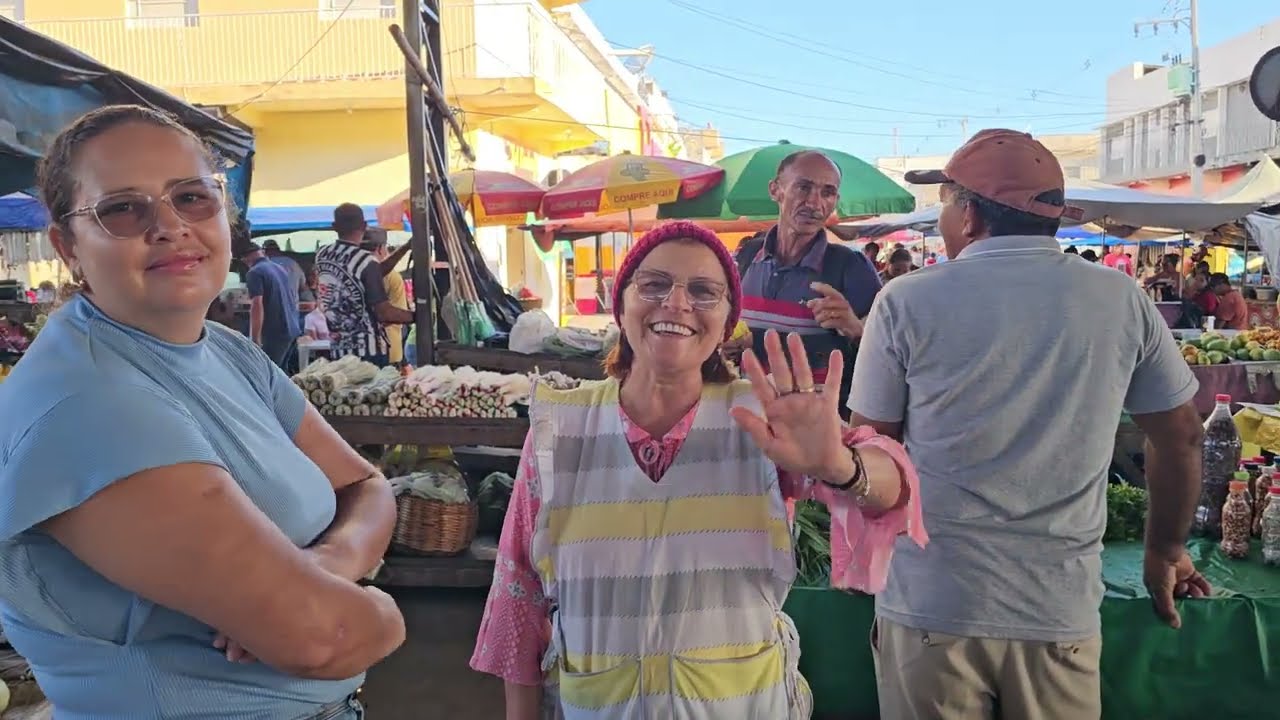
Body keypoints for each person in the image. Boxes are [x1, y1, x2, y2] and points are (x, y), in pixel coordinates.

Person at [0, 105, 405, 719]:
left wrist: (324, 566)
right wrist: (382, 612)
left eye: (191, 197)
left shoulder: (227, 351)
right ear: (68, 246)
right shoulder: (87, 403)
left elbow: (365, 483)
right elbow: (323, 638)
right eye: (123, 209)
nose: (169, 226)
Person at [470, 221, 925, 719]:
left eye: (705, 292)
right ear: (619, 304)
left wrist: (840, 465)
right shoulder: (561, 428)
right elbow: (519, 593)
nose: (677, 303)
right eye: (654, 284)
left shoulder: (765, 419)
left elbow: (893, 488)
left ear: (730, 320)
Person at [849, 129, 1209, 720]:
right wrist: (1165, 548)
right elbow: (1182, 436)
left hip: (934, 606)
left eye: (945, 203)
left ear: (968, 215)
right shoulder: (1120, 298)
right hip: (1057, 611)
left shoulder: (905, 301)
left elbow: (873, 454)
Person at [730, 150, 882, 418]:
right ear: (775, 190)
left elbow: (887, 357)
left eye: (827, 192)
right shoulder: (745, 257)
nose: (814, 203)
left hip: (816, 430)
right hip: (745, 419)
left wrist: (855, 329)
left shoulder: (852, 267)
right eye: (803, 187)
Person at [313, 203, 414, 365]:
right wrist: (417, 317)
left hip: (338, 349)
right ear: (365, 226)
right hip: (368, 353)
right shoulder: (366, 262)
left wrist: (404, 249)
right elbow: (383, 313)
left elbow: (361, 275)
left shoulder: (323, 255)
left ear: (334, 227)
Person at [239, 237, 302, 373]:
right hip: (292, 328)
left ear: (245, 259)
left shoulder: (254, 272)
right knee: (282, 374)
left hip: (275, 332)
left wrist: (255, 338)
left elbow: (257, 305)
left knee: (267, 374)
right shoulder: (280, 268)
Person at [360, 228, 412, 366]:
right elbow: (395, 317)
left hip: (362, 351)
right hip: (389, 351)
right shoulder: (392, 277)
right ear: (381, 249)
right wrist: (418, 317)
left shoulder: (355, 273)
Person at [263, 237, 316, 323]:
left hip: (271, 311)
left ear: (265, 252)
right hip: (293, 310)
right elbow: (303, 286)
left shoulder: (263, 265)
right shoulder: (292, 263)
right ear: (278, 250)